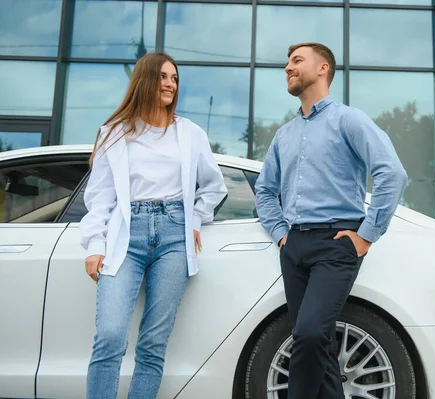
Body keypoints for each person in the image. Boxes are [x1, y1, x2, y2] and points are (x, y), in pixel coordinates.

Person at [254, 42, 408, 399]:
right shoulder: (284, 135)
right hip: (294, 246)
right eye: (287, 63)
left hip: (336, 245)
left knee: (308, 333)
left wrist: (365, 236)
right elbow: (265, 191)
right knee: (316, 344)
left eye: (297, 61)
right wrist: (280, 234)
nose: (287, 68)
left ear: (323, 68)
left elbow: (391, 173)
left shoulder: (348, 120)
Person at [79, 51, 227, 399]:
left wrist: (195, 218)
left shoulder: (190, 133)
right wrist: (95, 245)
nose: (170, 84)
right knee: (111, 335)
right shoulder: (115, 133)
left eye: (174, 78)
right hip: (126, 236)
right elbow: (99, 197)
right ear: (145, 80)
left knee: (153, 342)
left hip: (175, 236)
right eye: (163, 76)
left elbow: (214, 185)